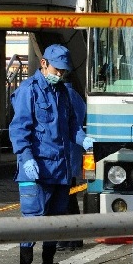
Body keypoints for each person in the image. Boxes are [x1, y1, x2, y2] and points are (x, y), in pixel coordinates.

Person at [9, 44, 94, 264]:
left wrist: (83, 138)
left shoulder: (63, 93)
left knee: (56, 220)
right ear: (44, 63)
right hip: (34, 168)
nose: (61, 75)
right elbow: (19, 130)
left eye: (64, 72)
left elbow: (71, 127)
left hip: (60, 169)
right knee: (34, 218)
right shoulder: (29, 91)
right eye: (58, 70)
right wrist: (26, 159)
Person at [56, 82, 87, 251]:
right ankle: (74, 238)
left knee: (64, 199)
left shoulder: (62, 95)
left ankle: (69, 238)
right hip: (72, 152)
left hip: (62, 154)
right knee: (70, 197)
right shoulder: (76, 96)